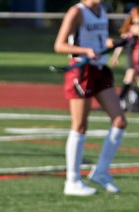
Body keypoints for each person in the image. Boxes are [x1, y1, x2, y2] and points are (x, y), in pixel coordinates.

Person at [53, 0, 124, 196]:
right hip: (81, 71)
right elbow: (59, 45)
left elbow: (98, 39)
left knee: (119, 120)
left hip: (100, 69)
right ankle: (72, 180)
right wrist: (85, 51)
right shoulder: (77, 11)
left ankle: (101, 172)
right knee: (80, 125)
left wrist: (110, 43)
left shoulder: (102, 10)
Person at [110, 7, 139, 111]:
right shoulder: (130, 28)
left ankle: (131, 95)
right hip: (132, 55)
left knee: (136, 78)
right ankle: (120, 100)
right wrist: (115, 56)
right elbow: (121, 44)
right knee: (130, 75)